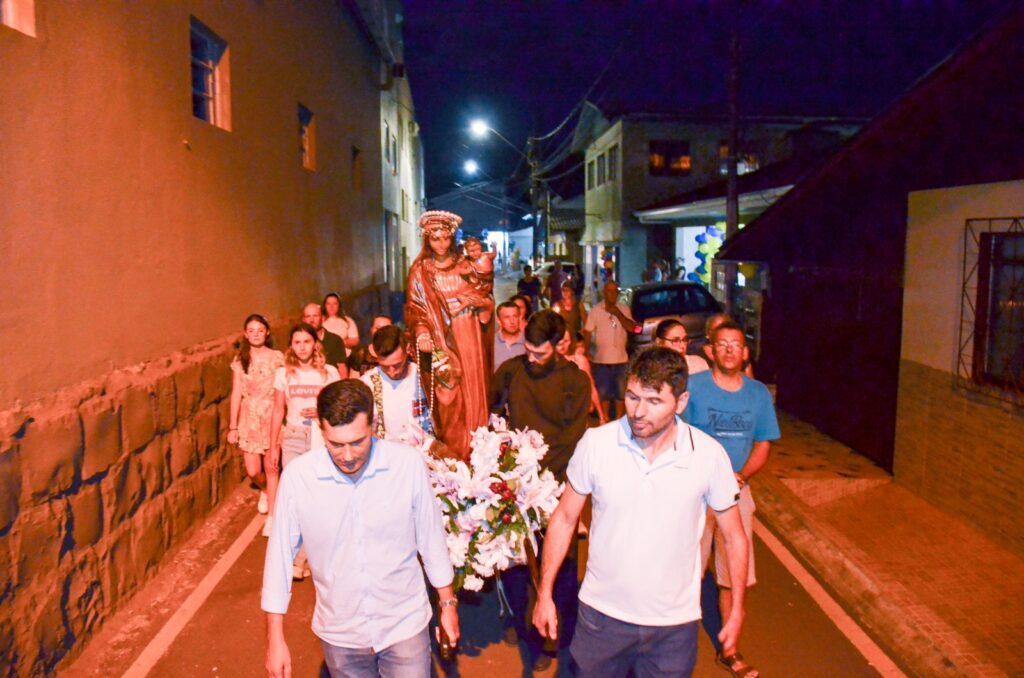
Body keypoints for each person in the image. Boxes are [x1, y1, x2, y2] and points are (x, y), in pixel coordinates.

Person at [532, 347, 750, 677]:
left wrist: (736, 611)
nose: (638, 411)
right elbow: (564, 518)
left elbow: (734, 536)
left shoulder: (708, 456)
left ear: (681, 401)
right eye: (632, 397)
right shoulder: (597, 444)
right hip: (601, 617)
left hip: (673, 628)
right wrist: (545, 593)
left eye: (654, 401)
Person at [262, 380, 459, 678]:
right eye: (336, 445)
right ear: (321, 430)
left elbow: (431, 540)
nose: (349, 455)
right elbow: (278, 560)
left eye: (358, 442)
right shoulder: (299, 479)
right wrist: (275, 640)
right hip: (341, 635)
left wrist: (447, 604)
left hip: (404, 624)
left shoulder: (407, 466)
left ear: (374, 424)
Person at [489, 310, 591, 672]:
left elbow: (573, 435)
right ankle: (525, 628)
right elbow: (490, 409)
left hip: (558, 487)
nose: (531, 359)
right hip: (516, 486)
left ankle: (564, 635)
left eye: (540, 354)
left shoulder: (574, 382)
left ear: (559, 345)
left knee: (561, 564)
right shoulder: (512, 371)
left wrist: (542, 478)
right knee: (517, 563)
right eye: (528, 352)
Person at [685, 320, 780, 678]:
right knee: (686, 569)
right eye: (721, 344)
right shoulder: (693, 387)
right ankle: (677, 645)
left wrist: (739, 476)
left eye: (735, 344)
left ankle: (730, 649)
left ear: (744, 352)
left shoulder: (757, 394)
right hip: (694, 494)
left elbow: (763, 443)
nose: (728, 350)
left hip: (737, 494)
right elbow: (677, 435)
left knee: (732, 575)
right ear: (710, 350)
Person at [405, 210, 490, 459]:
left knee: (473, 390)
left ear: (452, 238)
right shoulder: (420, 271)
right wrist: (421, 332)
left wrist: (477, 302)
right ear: (427, 240)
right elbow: (416, 309)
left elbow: (485, 292)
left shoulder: (465, 264)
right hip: (439, 340)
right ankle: (453, 455)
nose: (441, 244)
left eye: (445, 238)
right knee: (447, 399)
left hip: (468, 334)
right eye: (435, 238)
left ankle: (477, 452)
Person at [266, 324, 341, 544]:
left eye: (306, 342)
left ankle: (321, 539)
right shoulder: (284, 374)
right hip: (294, 436)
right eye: (297, 342)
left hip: (321, 435)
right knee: (296, 491)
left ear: (315, 343)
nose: (302, 347)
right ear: (291, 346)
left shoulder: (329, 372)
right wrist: (273, 447)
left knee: (321, 488)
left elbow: (338, 405)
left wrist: (321, 411)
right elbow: (278, 409)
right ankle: (297, 545)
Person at [227, 314, 284, 516]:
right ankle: (267, 491)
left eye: (260, 330)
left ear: (267, 332)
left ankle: (274, 517)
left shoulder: (278, 358)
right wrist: (233, 426)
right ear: (246, 334)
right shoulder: (240, 360)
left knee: (272, 467)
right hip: (249, 417)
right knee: (253, 471)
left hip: (271, 414)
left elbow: (284, 387)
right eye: (251, 331)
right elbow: (236, 393)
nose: (256, 334)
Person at [359, 325, 430, 444]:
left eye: (397, 365)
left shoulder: (423, 376)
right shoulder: (368, 384)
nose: (392, 372)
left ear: (407, 349)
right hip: (390, 453)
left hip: (427, 452)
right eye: (385, 366)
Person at [582, 280, 634, 420]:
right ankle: (604, 418)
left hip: (621, 359)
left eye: (614, 291)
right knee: (603, 392)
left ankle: (618, 418)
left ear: (617, 294)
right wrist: (586, 351)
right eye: (608, 291)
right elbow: (587, 331)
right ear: (604, 293)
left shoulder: (624, 309)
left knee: (620, 392)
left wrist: (618, 314)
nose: (611, 294)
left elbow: (633, 328)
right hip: (601, 359)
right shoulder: (596, 310)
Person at [557, 330, 606, 424]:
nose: (582, 350)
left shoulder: (580, 360)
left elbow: (591, 386)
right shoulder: (553, 360)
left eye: (583, 347)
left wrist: (601, 416)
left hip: (578, 411)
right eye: (579, 347)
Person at [303, 302, 349, 376]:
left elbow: (342, 368)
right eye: (308, 316)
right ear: (304, 320)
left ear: (323, 318)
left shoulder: (335, 340)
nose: (311, 320)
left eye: (315, 316)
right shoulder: (299, 342)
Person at [704, 313, 754, 378]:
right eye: (716, 330)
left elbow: (750, 380)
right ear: (708, 333)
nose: (722, 334)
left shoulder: (738, 351)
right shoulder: (699, 357)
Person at [493, 300, 526, 371]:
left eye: (515, 316)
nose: (512, 321)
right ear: (498, 320)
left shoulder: (528, 342)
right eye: (507, 317)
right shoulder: (490, 343)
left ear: (519, 318)